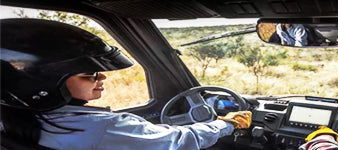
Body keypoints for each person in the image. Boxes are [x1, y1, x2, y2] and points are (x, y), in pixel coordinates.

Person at [0, 18, 252, 150]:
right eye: (90, 74)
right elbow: (177, 141)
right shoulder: (101, 129)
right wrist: (225, 124)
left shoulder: (11, 119)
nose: (103, 78)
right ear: (42, 82)